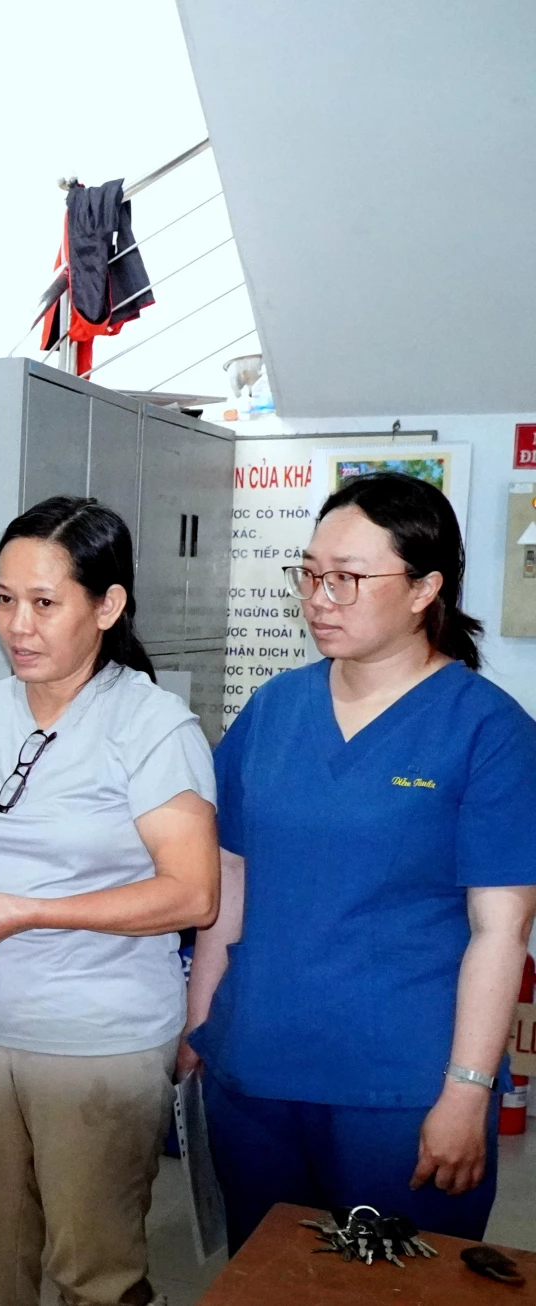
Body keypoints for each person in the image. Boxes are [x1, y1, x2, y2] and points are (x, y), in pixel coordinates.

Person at [182, 471, 536, 1249]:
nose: (319, 598)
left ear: (424, 589)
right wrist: (200, 1024)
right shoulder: (275, 708)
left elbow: (501, 931)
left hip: (402, 1090)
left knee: (398, 1286)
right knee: (267, 1281)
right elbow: (230, 876)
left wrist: (467, 1091)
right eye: (310, 574)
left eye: (346, 577)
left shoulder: (488, 730)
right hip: (254, 1072)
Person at [0, 497, 219, 1306]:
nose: (18, 626)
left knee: (94, 1271)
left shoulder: (153, 726)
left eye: (44, 602)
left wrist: (34, 912)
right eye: (4, 599)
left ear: (107, 605)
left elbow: (192, 893)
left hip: (95, 1039)